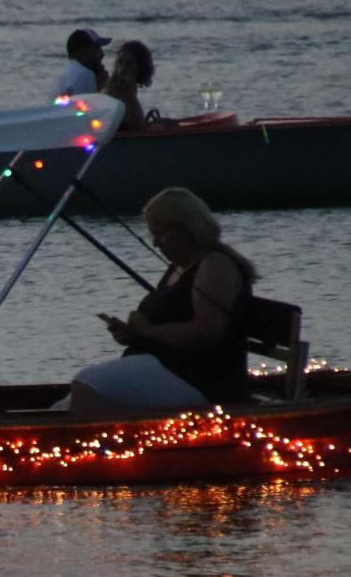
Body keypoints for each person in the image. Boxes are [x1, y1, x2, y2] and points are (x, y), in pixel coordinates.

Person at [69, 187, 258, 414]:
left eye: (161, 234)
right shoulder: (178, 267)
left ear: (188, 228)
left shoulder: (215, 265)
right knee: (61, 407)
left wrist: (147, 330)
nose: (156, 244)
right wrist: (133, 334)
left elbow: (207, 332)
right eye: (153, 235)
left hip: (200, 379)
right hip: (165, 368)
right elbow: (168, 324)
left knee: (88, 383)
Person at [103, 38, 170, 131]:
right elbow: (134, 127)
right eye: (120, 62)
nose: (122, 68)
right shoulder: (114, 91)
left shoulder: (128, 90)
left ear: (141, 67)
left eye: (129, 63)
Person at [49, 27, 110, 100]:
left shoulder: (65, 73)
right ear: (81, 52)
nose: (102, 54)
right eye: (96, 49)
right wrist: (104, 87)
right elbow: (90, 109)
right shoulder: (85, 75)